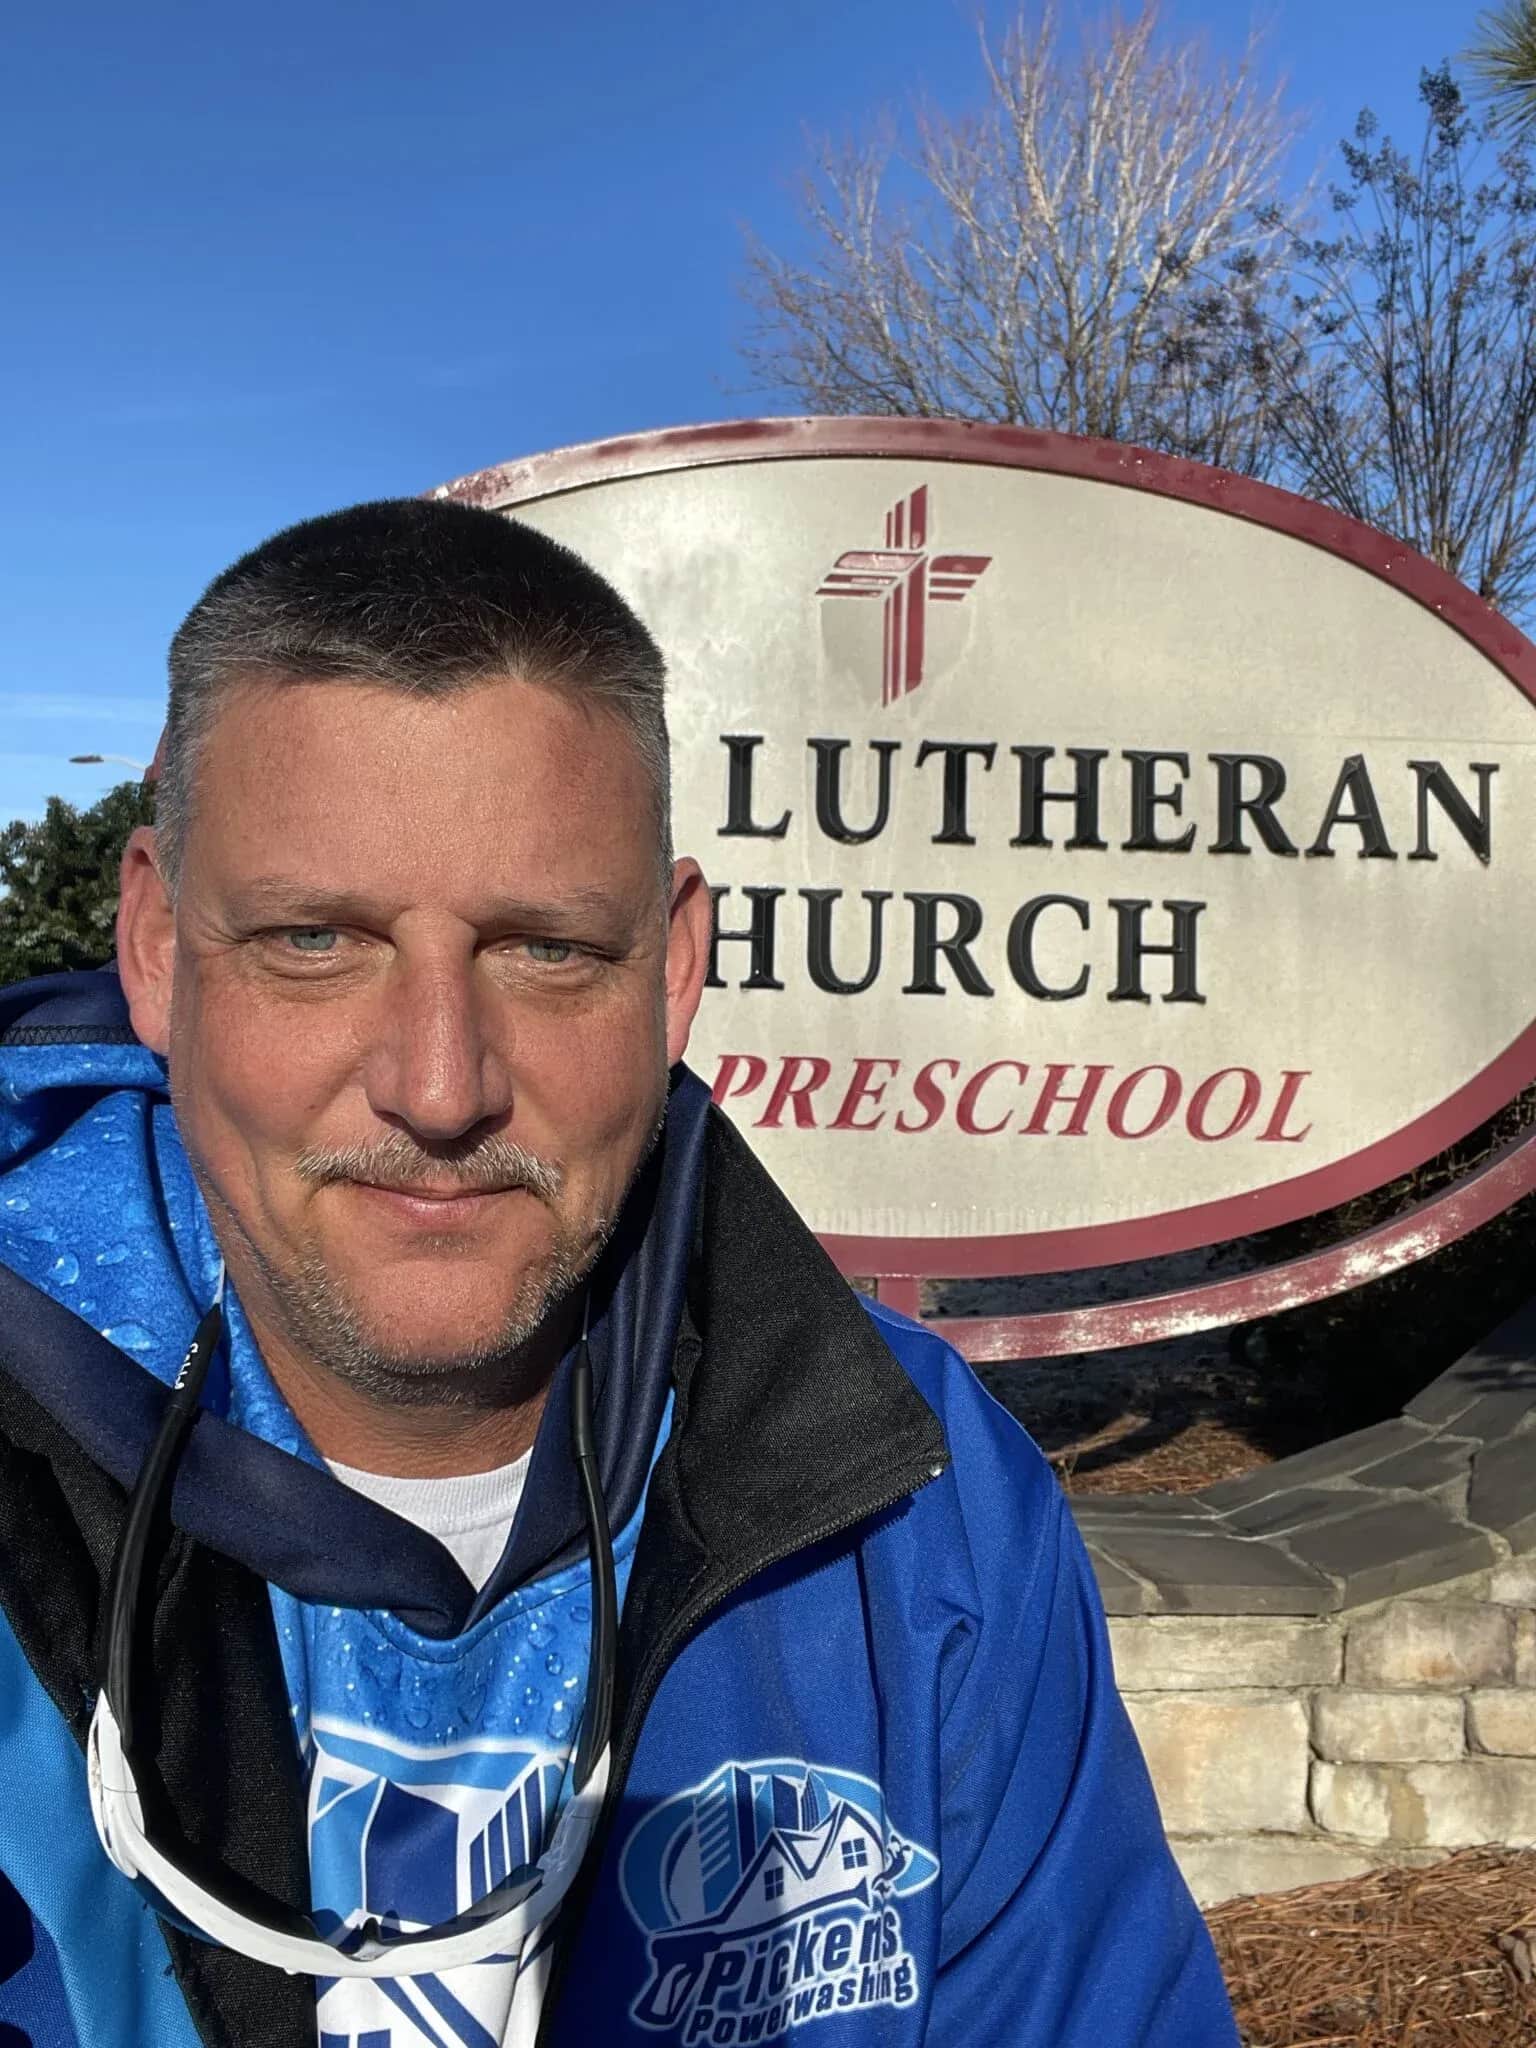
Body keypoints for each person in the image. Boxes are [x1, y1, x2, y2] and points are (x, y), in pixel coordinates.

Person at [0, 497, 1239, 2048]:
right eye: (316, 939)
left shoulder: (916, 1509)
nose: (440, 1087)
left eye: (549, 950)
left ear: (674, 970)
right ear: (161, 950)